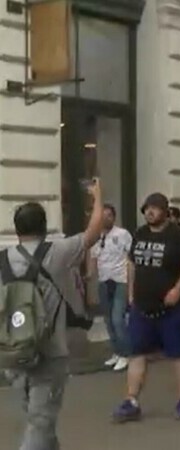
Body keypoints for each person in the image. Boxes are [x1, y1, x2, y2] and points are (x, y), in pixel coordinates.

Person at [4, 179, 104, 450]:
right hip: (50, 352)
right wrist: (97, 196)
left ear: (17, 229)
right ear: (44, 227)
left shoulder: (3, 259)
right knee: (40, 422)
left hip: (14, 354)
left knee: (40, 418)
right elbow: (94, 231)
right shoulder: (57, 252)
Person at [113, 192, 180, 422]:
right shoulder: (140, 234)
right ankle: (131, 400)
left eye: (154, 208)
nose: (149, 212)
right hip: (142, 306)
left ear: (165, 211)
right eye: (146, 209)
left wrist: (178, 289)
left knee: (177, 355)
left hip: (173, 309)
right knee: (137, 353)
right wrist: (131, 294)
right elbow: (131, 263)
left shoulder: (178, 235)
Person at [88, 203, 133, 372]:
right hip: (103, 281)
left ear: (114, 217)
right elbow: (93, 258)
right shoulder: (96, 237)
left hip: (120, 280)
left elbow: (130, 259)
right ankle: (117, 352)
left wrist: (131, 287)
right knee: (108, 320)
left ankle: (126, 354)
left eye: (109, 215)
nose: (105, 218)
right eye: (103, 215)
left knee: (117, 319)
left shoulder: (122, 234)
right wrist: (90, 277)